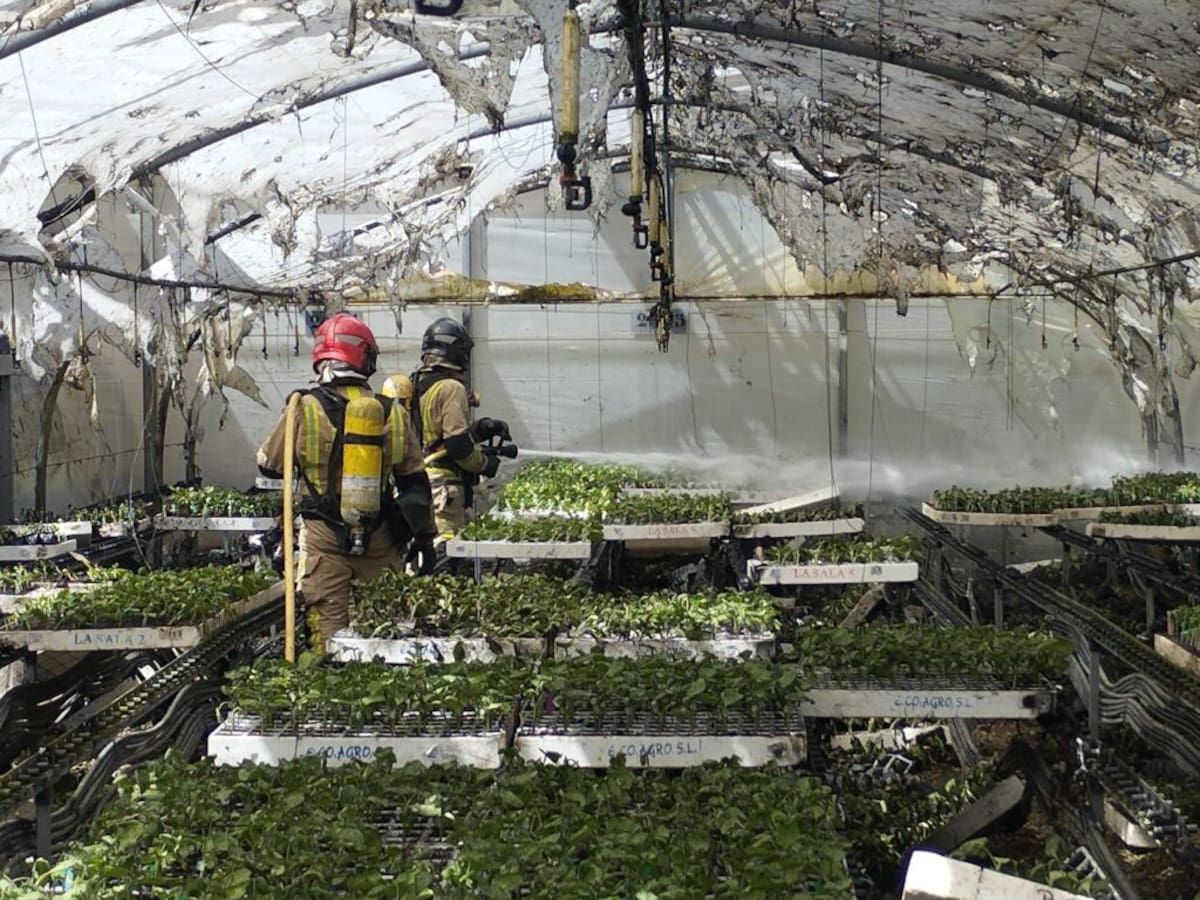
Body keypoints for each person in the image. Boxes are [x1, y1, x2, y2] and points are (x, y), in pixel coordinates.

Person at [256, 312, 435, 651]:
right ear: (366, 359)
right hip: (380, 537)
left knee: (328, 634)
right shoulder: (391, 411)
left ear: (322, 358)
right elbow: (414, 479)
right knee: (385, 632)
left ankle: (325, 693)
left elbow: (269, 465)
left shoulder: (302, 406)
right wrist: (425, 538)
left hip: (323, 539)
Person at [410, 317, 515, 543]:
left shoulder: (418, 382)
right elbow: (457, 447)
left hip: (421, 481)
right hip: (444, 488)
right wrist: (484, 464)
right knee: (444, 551)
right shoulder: (451, 387)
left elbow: (435, 434)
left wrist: (481, 430)